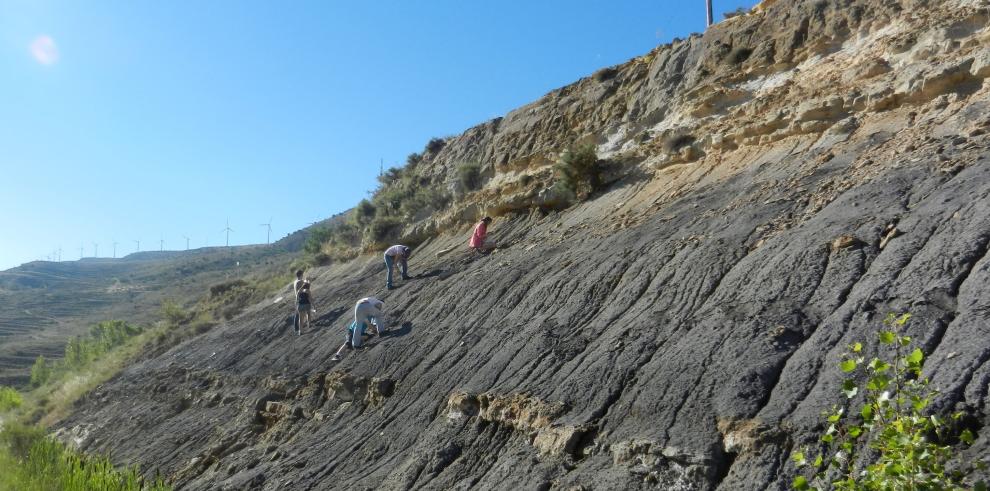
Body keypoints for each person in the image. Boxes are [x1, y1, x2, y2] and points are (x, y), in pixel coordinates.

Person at [331, 297, 386, 361]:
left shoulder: (370, 315)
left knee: (368, 336)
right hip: (351, 331)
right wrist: (376, 330)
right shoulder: (365, 315)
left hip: (359, 332)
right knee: (348, 342)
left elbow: (372, 326)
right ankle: (337, 355)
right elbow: (369, 325)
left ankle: (357, 343)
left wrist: (374, 329)